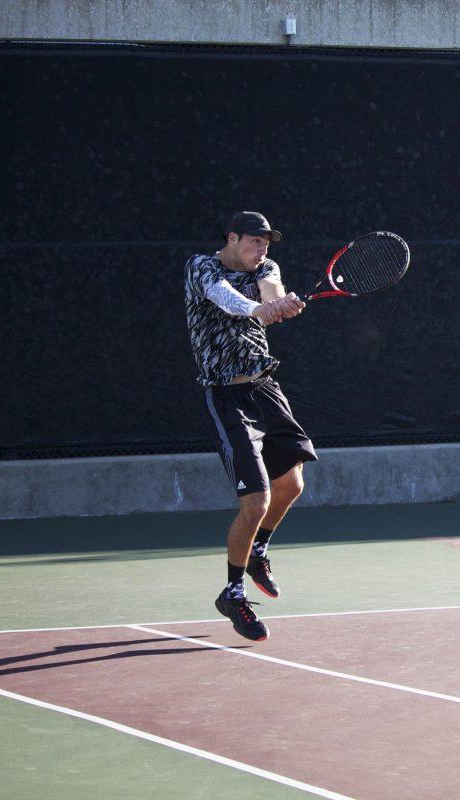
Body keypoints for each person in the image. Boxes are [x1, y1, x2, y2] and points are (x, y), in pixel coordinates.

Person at [183, 211, 313, 641]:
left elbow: (271, 291)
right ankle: (233, 593)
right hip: (225, 395)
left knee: (292, 485)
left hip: (265, 387)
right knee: (255, 503)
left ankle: (258, 550)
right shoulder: (201, 267)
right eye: (255, 242)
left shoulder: (266, 268)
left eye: (267, 244)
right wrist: (262, 308)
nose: (262, 250)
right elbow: (227, 300)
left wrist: (279, 303)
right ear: (233, 238)